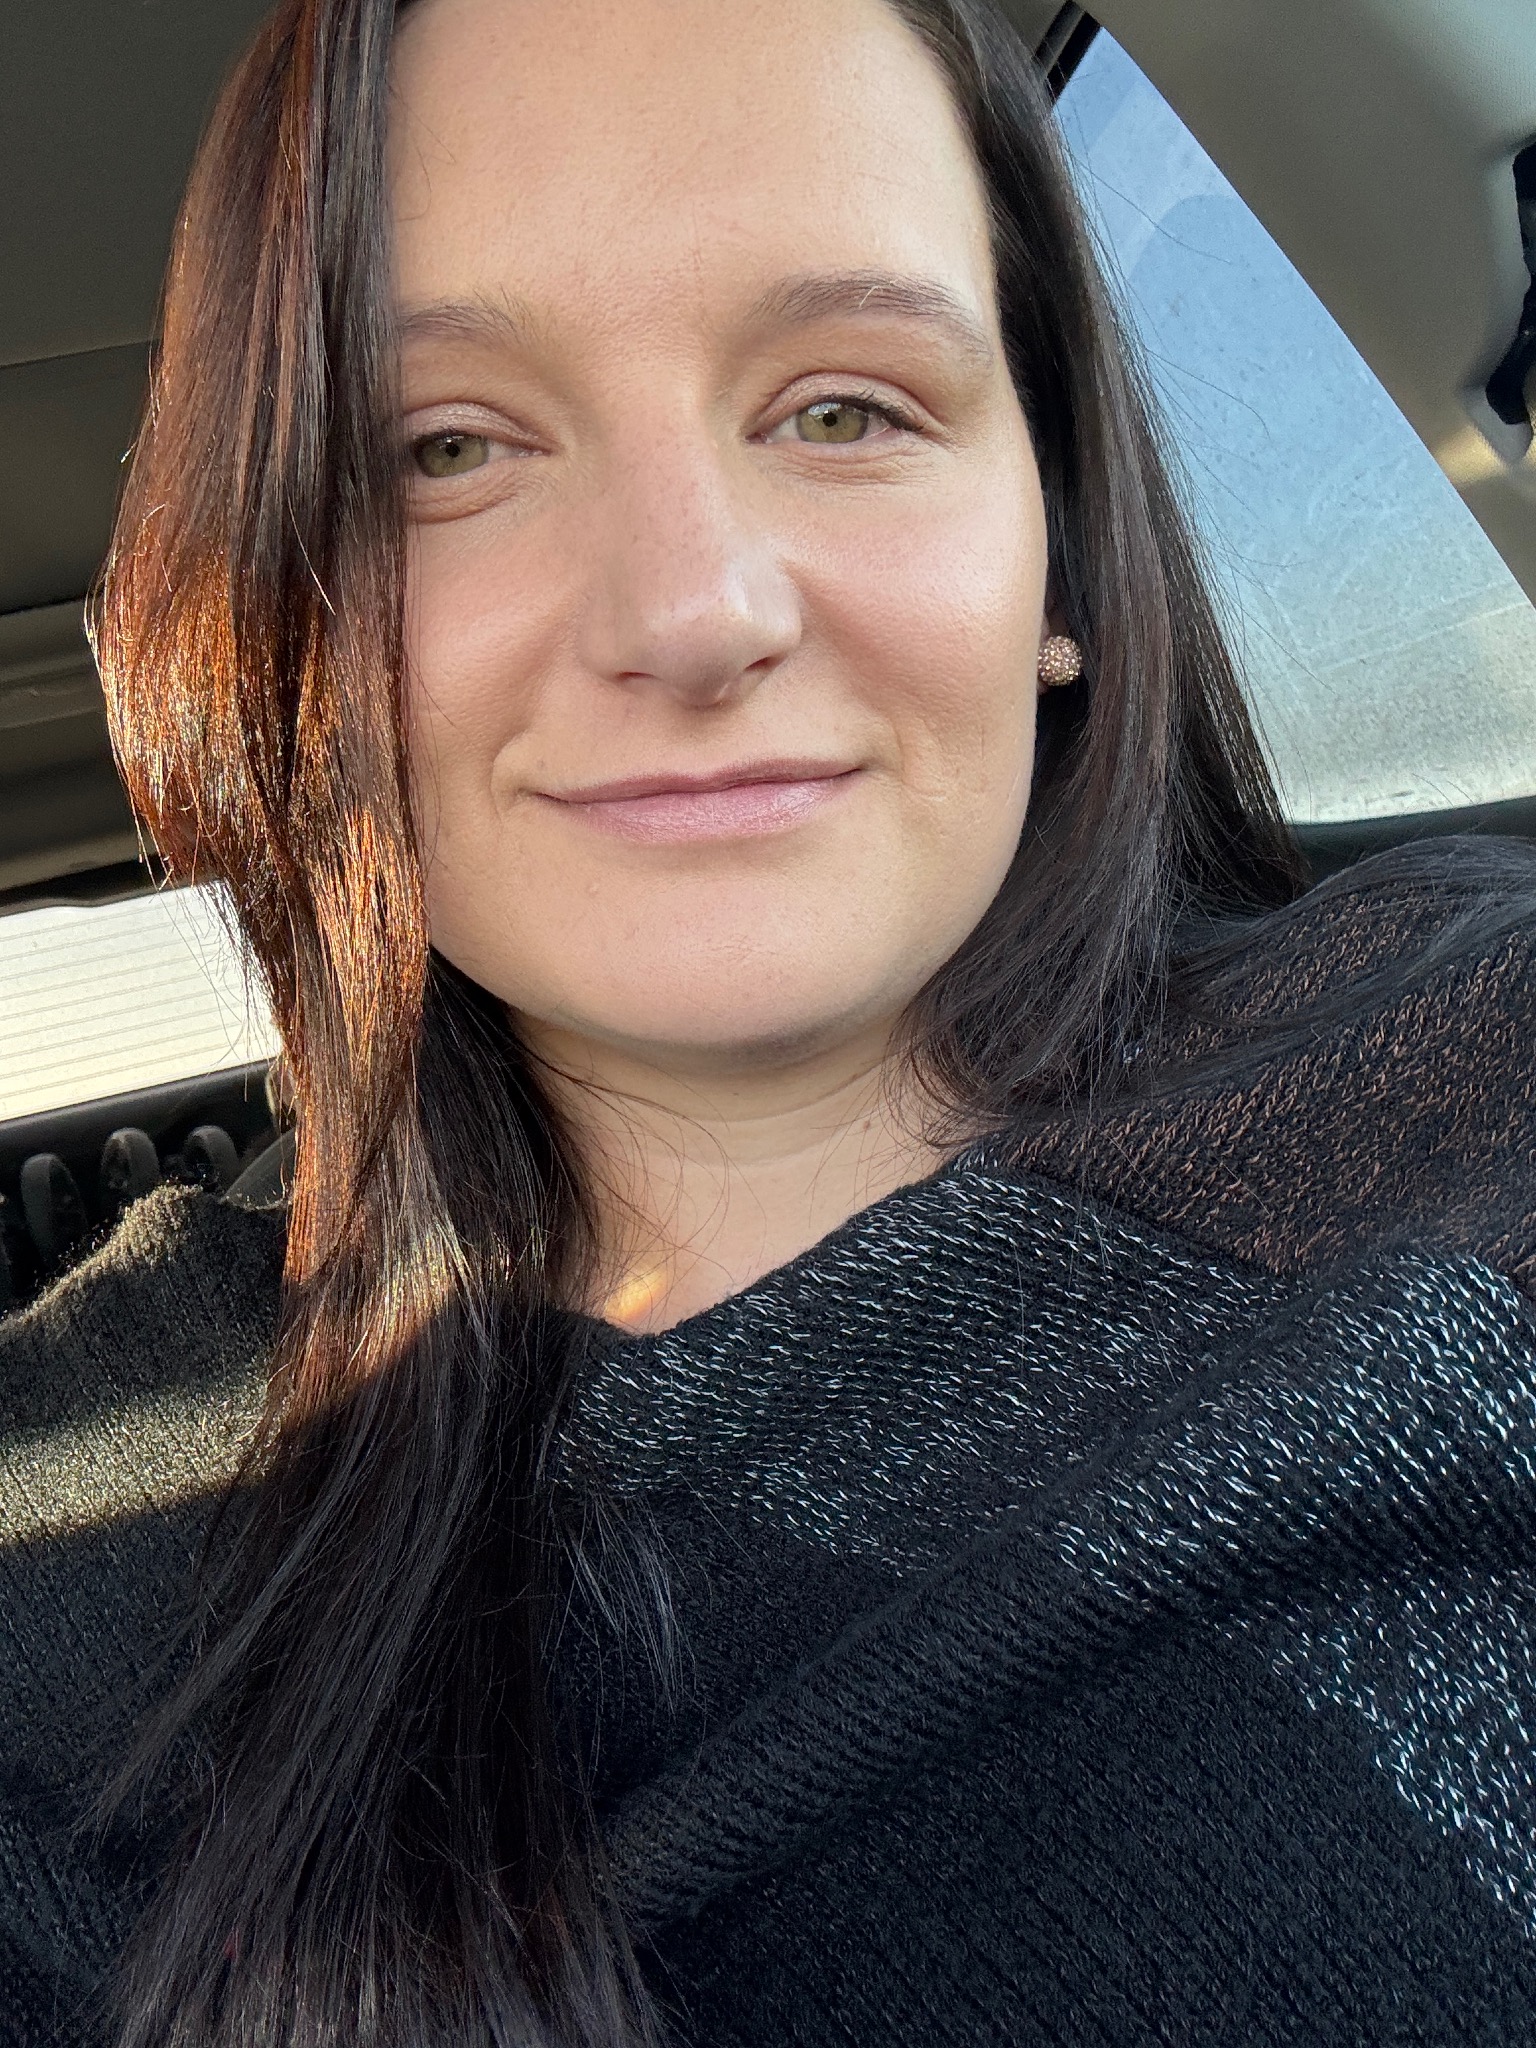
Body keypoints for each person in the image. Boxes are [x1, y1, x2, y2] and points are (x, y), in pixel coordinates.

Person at [2, 0, 1535, 2041]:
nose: (692, 609)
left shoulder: (1488, 1061)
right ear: (294, 629)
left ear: (1059, 550)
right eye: (447, 449)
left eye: (844, 409)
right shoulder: (73, 1506)